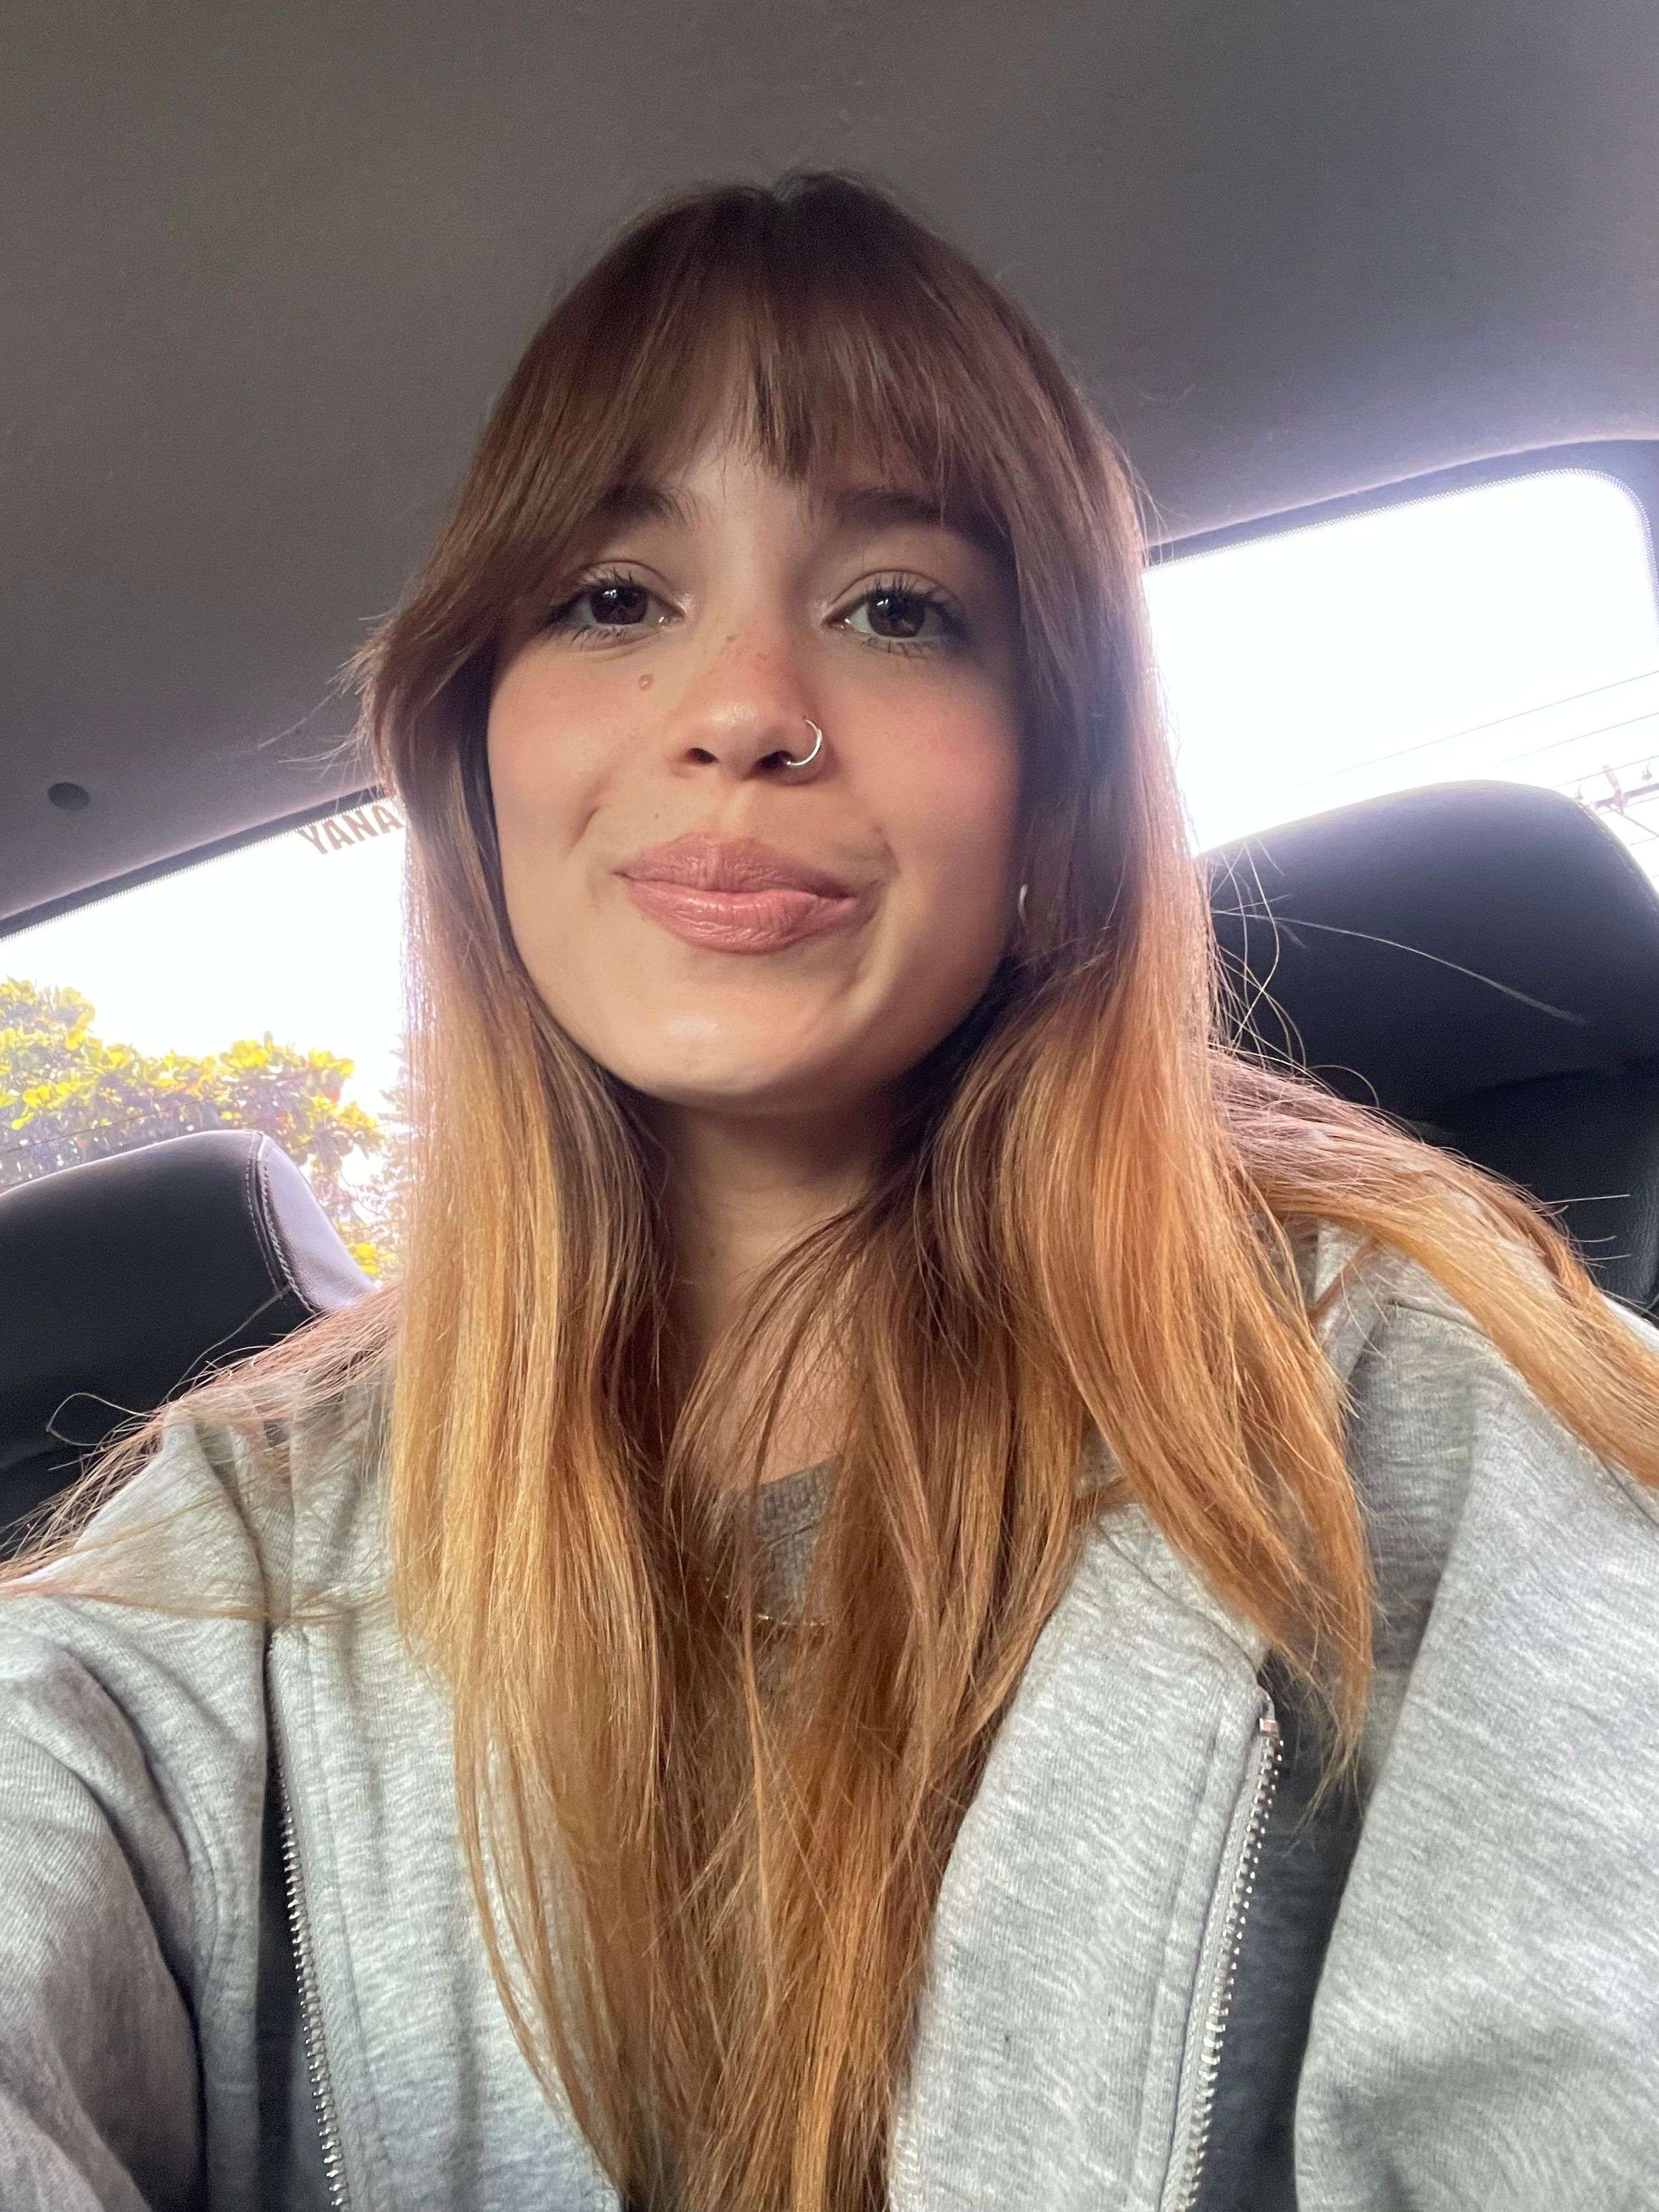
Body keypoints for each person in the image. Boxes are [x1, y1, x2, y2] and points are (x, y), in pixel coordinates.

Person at [4, 170, 1659, 2212]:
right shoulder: (227, 1549)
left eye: (899, 609)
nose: (741, 712)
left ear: (1053, 783)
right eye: (613, 597)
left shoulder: (1418, 1406)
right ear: (473, 754)